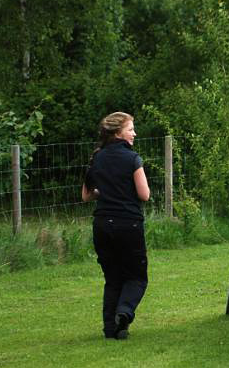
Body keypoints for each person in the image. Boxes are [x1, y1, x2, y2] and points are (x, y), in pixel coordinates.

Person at [82, 112, 151, 339]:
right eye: (131, 129)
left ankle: (111, 329)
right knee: (137, 277)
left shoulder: (97, 158)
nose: (134, 133)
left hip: (102, 225)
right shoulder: (132, 159)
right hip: (128, 224)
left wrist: (106, 192)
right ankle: (124, 311)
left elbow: (86, 195)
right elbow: (144, 194)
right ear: (118, 132)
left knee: (112, 279)